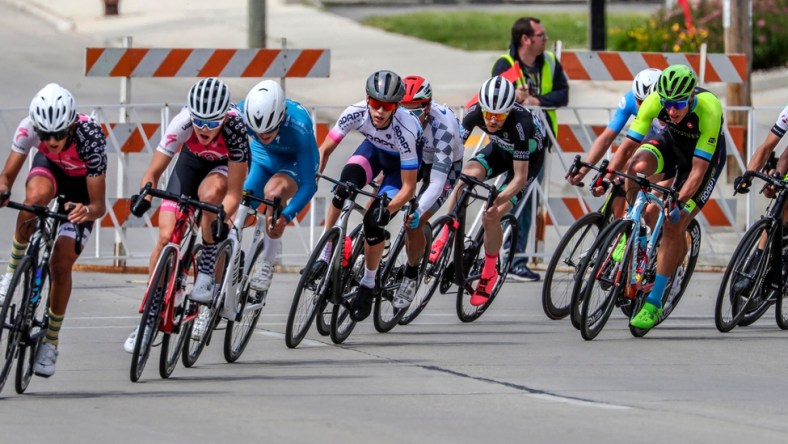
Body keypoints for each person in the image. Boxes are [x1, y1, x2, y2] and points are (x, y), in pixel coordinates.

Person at [124, 78, 249, 352]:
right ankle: (148, 316)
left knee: (211, 196)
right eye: (199, 122)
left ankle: (206, 271)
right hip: (189, 165)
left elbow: (234, 195)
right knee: (167, 235)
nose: (204, 129)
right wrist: (145, 193)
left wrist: (221, 221)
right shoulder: (182, 121)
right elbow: (153, 173)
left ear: (224, 117)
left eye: (212, 122)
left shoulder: (236, 129)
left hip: (221, 170)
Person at [0, 83, 108, 377]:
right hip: (49, 171)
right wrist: (3, 189)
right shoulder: (28, 129)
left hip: (82, 190)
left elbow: (99, 205)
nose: (52, 139)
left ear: (71, 125)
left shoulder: (91, 139)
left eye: (59, 134)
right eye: (45, 134)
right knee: (32, 201)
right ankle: (10, 274)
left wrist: (86, 211)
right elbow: (7, 176)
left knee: (61, 264)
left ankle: (50, 340)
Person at [608, 64, 726, 329]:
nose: (672, 111)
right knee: (635, 168)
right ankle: (636, 233)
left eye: (679, 105)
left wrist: (679, 201)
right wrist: (609, 171)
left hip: (701, 161)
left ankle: (654, 301)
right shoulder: (655, 100)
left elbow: (697, 172)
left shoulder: (709, 108)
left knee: (675, 222)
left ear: (691, 98)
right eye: (668, 104)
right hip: (671, 145)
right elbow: (628, 145)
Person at [317, 70, 422, 321]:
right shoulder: (355, 111)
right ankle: (325, 251)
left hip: (400, 169)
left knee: (374, 222)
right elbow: (325, 150)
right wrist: (315, 176)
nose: (380, 111)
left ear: (396, 106)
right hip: (373, 152)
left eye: (387, 106)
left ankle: (368, 282)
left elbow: (408, 189)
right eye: (375, 103)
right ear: (367, 99)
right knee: (343, 188)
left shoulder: (405, 130)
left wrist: (385, 212)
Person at [445, 77, 546, 306]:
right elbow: (455, 152)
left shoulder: (520, 125)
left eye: (498, 116)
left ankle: (489, 272)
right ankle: (445, 235)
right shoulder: (475, 113)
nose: (491, 120)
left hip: (525, 164)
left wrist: (496, 199)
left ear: (508, 111)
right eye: (488, 113)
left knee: (491, 214)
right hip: (499, 151)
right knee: (464, 181)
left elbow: (519, 178)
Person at [491, 16, 569, 282]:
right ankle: (502, 258)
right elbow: (496, 96)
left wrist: (537, 100)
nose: (545, 39)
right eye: (540, 35)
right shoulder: (506, 65)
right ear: (525, 39)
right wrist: (517, 97)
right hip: (510, 142)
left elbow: (563, 94)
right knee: (509, 199)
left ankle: (515, 258)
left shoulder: (548, 62)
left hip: (539, 143)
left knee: (527, 202)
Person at [239, 79, 319, 293]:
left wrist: (286, 216)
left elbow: (310, 185)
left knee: (274, 193)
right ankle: (231, 256)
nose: (263, 137)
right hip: (263, 158)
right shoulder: (242, 111)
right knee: (239, 205)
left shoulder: (300, 126)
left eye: (269, 131)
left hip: (294, 162)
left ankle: (266, 260)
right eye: (257, 132)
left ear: (281, 118)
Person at [394, 75, 464, 310]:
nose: (408, 116)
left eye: (415, 111)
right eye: (403, 109)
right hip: (417, 158)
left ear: (428, 107)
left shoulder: (443, 128)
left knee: (415, 219)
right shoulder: (397, 120)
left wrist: (419, 210)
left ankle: (411, 275)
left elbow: (436, 182)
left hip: (443, 167)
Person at [566, 68, 664, 191]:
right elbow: (606, 138)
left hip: (671, 145)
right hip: (651, 135)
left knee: (641, 174)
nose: (640, 106)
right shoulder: (630, 100)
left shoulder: (671, 110)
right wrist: (583, 171)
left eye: (645, 103)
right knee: (619, 183)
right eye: (638, 101)